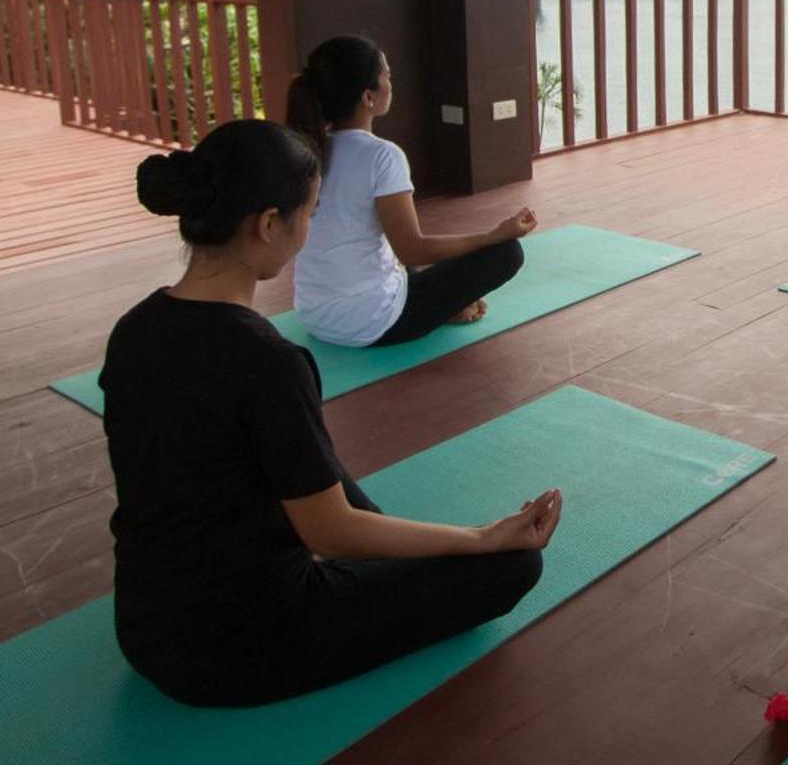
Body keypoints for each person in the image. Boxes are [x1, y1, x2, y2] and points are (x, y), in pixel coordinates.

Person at [102, 119, 563, 706]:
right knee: (512, 568)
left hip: (143, 625)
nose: (310, 228)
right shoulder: (267, 360)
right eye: (311, 214)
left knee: (309, 458)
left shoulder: (133, 331)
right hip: (238, 648)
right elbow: (331, 534)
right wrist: (480, 536)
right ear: (268, 224)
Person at [286, 35, 534, 348]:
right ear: (368, 97)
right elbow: (412, 250)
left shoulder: (307, 148)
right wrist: (493, 236)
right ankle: (445, 307)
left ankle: (445, 306)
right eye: (386, 76)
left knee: (396, 254)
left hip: (314, 315)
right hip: (374, 323)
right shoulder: (382, 155)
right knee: (507, 253)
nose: (392, 82)